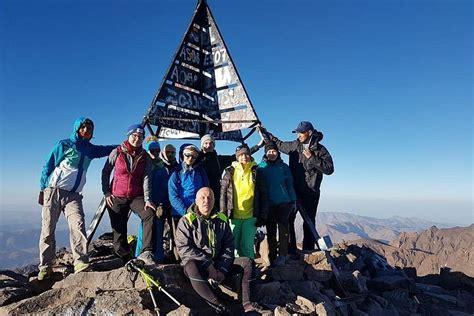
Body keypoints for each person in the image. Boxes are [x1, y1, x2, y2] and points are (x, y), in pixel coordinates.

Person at [38, 117, 116, 280]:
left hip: (74, 196)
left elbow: (106, 149)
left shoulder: (90, 149)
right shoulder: (64, 144)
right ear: (77, 129)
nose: (86, 130)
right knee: (47, 229)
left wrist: (124, 146)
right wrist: (42, 189)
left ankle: (80, 262)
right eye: (83, 127)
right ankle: (45, 266)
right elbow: (48, 166)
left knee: (78, 226)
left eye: (89, 128)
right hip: (54, 191)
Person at [175, 187, 261, 314]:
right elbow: (184, 248)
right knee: (190, 265)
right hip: (199, 267)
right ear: (196, 201)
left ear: (214, 201)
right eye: (202, 198)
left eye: (209, 198)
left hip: (218, 266)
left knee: (247, 262)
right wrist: (208, 265)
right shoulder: (186, 221)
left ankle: (246, 303)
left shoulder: (222, 219)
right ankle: (217, 304)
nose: (206, 201)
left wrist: (222, 269)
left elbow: (229, 246)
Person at [258, 121, 334, 252]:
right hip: (294, 191)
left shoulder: (320, 149)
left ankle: (308, 250)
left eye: (301, 132)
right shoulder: (295, 146)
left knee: (309, 222)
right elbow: (279, 144)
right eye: (297, 132)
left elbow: (329, 169)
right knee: (289, 220)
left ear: (309, 133)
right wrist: (264, 132)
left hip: (311, 192)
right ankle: (291, 250)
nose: (298, 135)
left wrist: (312, 158)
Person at [101, 124, 156, 265]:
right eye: (134, 136)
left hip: (136, 196)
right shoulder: (117, 152)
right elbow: (105, 172)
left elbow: (146, 177)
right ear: (128, 136)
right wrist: (107, 193)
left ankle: (146, 252)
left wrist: (148, 199)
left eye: (140, 137)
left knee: (149, 213)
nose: (137, 139)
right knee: (119, 228)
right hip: (117, 196)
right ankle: (123, 257)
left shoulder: (144, 156)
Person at [220, 144, 268, 259]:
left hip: (250, 216)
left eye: (246, 154)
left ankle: (249, 273)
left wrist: (263, 215)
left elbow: (263, 194)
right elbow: (223, 194)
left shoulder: (256, 171)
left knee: (247, 247)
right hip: (233, 216)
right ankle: (236, 273)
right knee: (233, 246)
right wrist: (222, 214)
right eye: (241, 155)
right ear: (237, 156)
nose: (244, 157)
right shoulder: (229, 171)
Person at [257, 141, 296, 265]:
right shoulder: (261, 167)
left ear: (278, 153)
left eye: (274, 151)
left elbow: (289, 184)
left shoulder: (284, 167)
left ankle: (283, 255)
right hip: (268, 204)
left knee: (284, 230)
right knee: (271, 231)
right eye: (269, 152)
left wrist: (293, 200)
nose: (272, 154)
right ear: (265, 153)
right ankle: (272, 256)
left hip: (284, 203)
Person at [168, 143, 209, 258]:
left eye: (193, 156)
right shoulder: (176, 172)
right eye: (187, 155)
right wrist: (186, 212)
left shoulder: (201, 171)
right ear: (182, 155)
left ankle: (199, 262)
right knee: (181, 241)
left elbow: (206, 190)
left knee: (198, 239)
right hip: (180, 213)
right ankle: (181, 263)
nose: (190, 158)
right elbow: (173, 195)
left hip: (198, 212)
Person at [200, 134, 263, 203]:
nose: (208, 145)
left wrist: (257, 146)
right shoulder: (196, 159)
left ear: (214, 145)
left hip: (216, 195)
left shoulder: (219, 160)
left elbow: (238, 155)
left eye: (211, 143)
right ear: (202, 145)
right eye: (206, 143)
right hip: (200, 194)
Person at [134, 137, 167, 263]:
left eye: (157, 150)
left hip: (159, 203)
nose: (155, 152)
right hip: (146, 202)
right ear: (147, 150)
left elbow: (164, 186)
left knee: (158, 228)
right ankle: (140, 255)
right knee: (145, 228)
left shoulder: (162, 166)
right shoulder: (144, 165)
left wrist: (163, 203)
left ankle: (158, 256)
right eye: (152, 150)